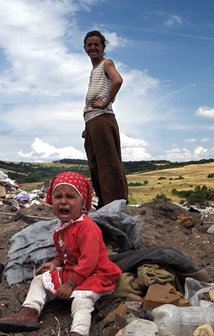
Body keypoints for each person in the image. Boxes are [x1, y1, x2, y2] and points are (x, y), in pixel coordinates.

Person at [0, 171, 122, 336]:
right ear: (51, 201)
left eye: (71, 196)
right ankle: (29, 312)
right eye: (58, 196)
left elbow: (89, 261)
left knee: (81, 300)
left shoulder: (87, 228)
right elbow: (64, 253)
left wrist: (70, 284)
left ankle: (79, 335)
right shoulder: (62, 228)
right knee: (39, 280)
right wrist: (55, 262)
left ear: (83, 203)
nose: (63, 201)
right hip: (73, 271)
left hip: (93, 274)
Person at [82, 30, 129, 208]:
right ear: (85, 48)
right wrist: (87, 126)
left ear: (103, 47)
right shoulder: (94, 70)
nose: (93, 47)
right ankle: (103, 202)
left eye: (96, 44)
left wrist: (106, 102)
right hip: (93, 121)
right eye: (89, 44)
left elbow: (118, 80)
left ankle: (116, 203)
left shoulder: (106, 63)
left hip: (103, 118)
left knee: (108, 162)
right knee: (94, 163)